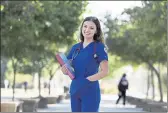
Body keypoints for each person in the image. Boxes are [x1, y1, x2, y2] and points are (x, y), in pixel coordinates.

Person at [61, 16, 109, 112]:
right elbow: (66, 67)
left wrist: (88, 80)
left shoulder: (99, 47)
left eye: (91, 28)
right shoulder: (75, 48)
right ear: (81, 28)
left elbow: (105, 71)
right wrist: (64, 70)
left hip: (90, 91)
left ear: (96, 31)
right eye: (85, 26)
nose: (87, 30)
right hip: (75, 90)